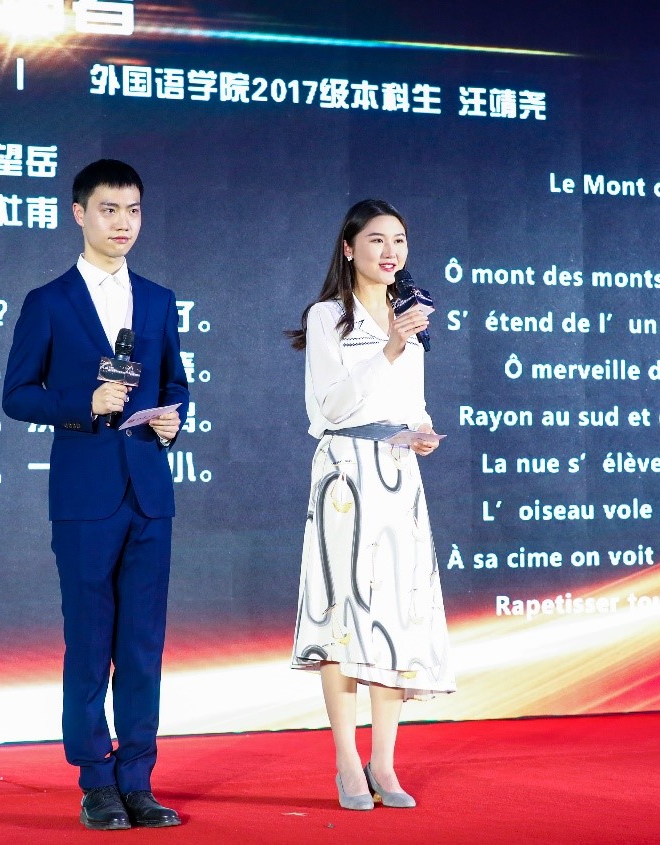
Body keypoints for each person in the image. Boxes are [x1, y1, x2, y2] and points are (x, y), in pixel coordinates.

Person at [2, 159, 189, 831]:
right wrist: (84, 403)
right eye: (109, 209)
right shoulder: (49, 301)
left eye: (133, 210)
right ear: (79, 213)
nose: (123, 222)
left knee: (142, 644)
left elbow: (176, 383)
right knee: (88, 644)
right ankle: (96, 781)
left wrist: (172, 419)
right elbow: (17, 395)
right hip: (84, 497)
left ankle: (138, 779)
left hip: (149, 494)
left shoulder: (158, 299)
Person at [287, 199, 455, 811]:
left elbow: (412, 400)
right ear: (349, 247)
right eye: (378, 239)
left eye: (400, 241)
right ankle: (345, 762)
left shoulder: (410, 318)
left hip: (398, 473)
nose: (391, 252)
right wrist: (386, 347)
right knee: (343, 615)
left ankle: (383, 761)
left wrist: (422, 430)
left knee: (395, 616)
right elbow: (330, 407)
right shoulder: (328, 316)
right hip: (346, 476)